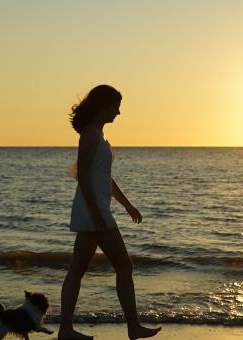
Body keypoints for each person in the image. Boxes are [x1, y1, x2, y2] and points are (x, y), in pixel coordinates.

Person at [58, 85, 161, 340]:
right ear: (103, 106)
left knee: (77, 270)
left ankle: (66, 330)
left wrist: (127, 205)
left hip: (95, 209)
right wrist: (96, 214)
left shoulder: (99, 136)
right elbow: (82, 175)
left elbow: (105, 178)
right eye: (116, 106)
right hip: (93, 210)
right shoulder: (90, 135)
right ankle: (133, 327)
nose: (118, 112)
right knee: (124, 266)